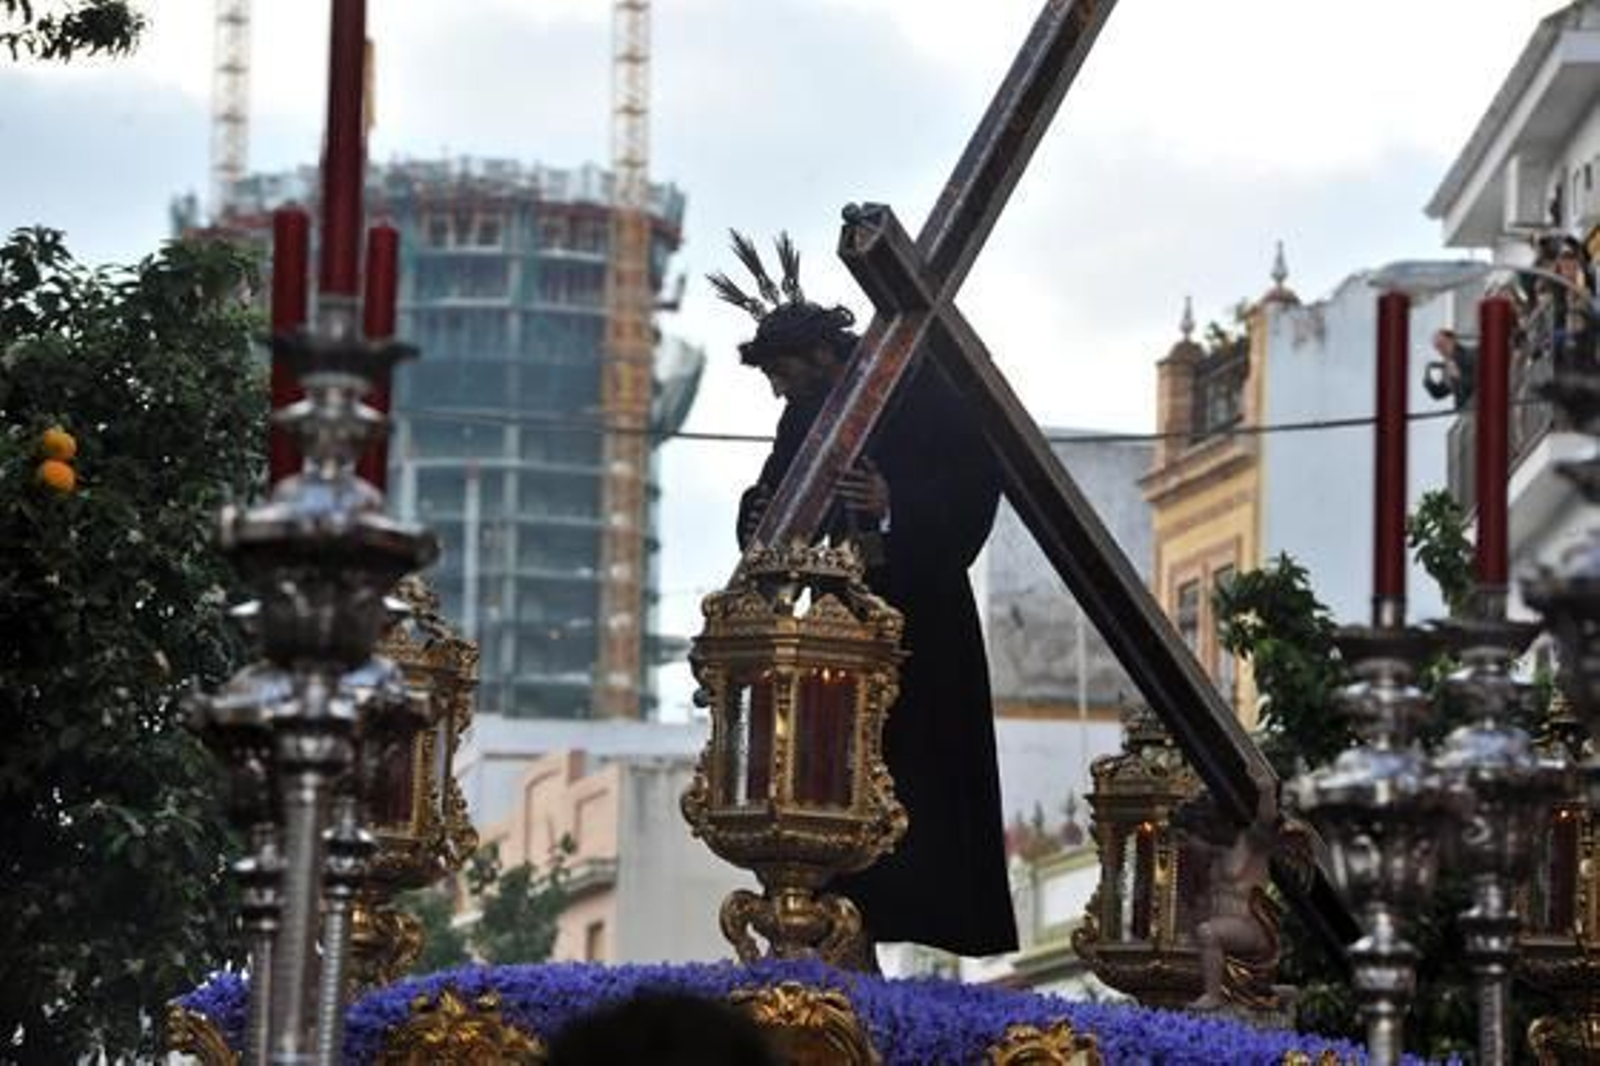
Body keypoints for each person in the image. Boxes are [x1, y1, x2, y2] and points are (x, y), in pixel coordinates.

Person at [709, 231, 1018, 963]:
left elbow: (977, 479)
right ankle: (838, 936)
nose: (781, 392)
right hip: (829, 643)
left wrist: (892, 504)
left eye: (786, 375)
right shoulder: (806, 412)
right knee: (824, 803)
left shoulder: (918, 385)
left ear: (823, 357)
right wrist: (756, 514)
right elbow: (781, 498)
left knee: (911, 800)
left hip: (915, 628)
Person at [1172, 778, 1282, 1012]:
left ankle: (1214, 996)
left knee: (1208, 932)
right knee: (1201, 934)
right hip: (1226, 930)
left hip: (1252, 929)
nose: (1189, 844)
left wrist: (1267, 790)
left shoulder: (1250, 843)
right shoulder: (1213, 859)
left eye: (1191, 837)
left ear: (1206, 829)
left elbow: (1266, 821)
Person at [1421, 328, 1476, 410]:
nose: (1441, 350)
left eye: (1443, 344)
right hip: (1464, 410)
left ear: (1452, 340)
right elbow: (1439, 393)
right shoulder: (1449, 366)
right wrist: (1428, 383)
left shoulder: (1471, 355)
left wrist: (1458, 376)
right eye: (1437, 348)